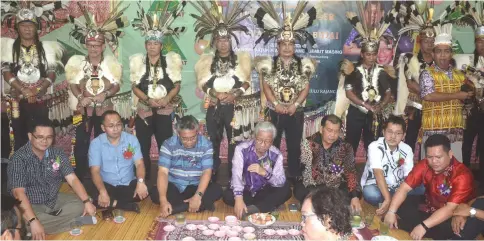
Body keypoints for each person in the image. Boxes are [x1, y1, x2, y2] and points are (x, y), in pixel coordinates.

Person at [253, 1, 319, 179]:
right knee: (271, 143)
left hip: (294, 111)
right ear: (278, 46)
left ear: (294, 46)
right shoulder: (270, 64)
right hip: (275, 111)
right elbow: (265, 85)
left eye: (291, 44)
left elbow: (305, 87)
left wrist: (295, 105)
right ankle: (269, 172)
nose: (287, 48)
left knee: (294, 144)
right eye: (284, 44)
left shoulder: (302, 64)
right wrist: (275, 104)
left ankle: (294, 175)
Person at [190, 1, 252, 180]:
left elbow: (246, 82)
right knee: (214, 140)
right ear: (215, 42)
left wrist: (234, 94)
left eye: (226, 40)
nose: (223, 44)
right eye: (220, 40)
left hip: (234, 107)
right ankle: (213, 168)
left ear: (230, 41)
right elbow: (203, 83)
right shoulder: (206, 61)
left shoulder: (242, 59)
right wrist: (215, 94)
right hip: (214, 106)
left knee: (235, 140)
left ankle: (236, 168)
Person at [66, 3, 127, 180]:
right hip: (83, 109)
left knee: (105, 142)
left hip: (103, 109)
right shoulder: (77, 63)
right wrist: (80, 97)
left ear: (103, 47)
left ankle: (105, 175)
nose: (94, 48)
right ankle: (82, 177)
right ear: (86, 45)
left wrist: (105, 94)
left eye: (97, 45)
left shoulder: (111, 64)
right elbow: (73, 83)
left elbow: (116, 85)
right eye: (90, 45)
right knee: (82, 144)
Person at [7, 119, 97, 239]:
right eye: (40, 137)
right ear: (30, 136)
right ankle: (73, 222)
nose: (45, 141)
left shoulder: (57, 154)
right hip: (29, 204)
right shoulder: (18, 159)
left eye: (49, 137)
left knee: (80, 205)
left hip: (52, 198)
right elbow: (19, 193)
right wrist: (33, 220)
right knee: (25, 223)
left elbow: (73, 179)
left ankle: (47, 223)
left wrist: (86, 201)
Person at [131, 1, 186, 181]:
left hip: (164, 110)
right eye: (149, 43)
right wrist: (147, 100)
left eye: (156, 43)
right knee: (142, 146)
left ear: (161, 46)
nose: (152, 46)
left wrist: (166, 99)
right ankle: (143, 180)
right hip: (144, 112)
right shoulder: (138, 62)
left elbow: (176, 84)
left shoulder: (170, 61)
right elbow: (134, 86)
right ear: (146, 45)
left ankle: (166, 179)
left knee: (164, 145)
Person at [384, 134, 475, 240]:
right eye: (430, 157)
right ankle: (415, 225)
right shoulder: (424, 164)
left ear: (450, 154)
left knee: (451, 228)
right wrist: (391, 212)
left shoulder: (462, 175)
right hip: (428, 206)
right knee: (399, 204)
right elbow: (404, 188)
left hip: (451, 214)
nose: (434, 162)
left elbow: (450, 208)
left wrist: (423, 226)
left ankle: (418, 227)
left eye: (438, 157)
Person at [1, 2, 65, 150]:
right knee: (19, 137)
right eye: (23, 25)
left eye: (31, 26)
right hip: (17, 98)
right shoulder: (9, 48)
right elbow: (6, 72)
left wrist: (37, 90)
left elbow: (52, 73)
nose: (27, 29)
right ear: (17, 27)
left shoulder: (46, 49)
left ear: (36, 28)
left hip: (39, 98)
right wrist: (24, 90)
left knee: (42, 136)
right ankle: (21, 170)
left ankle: (41, 170)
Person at [335, 9, 395, 153]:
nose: (371, 57)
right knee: (350, 146)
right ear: (362, 54)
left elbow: (387, 92)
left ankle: (372, 174)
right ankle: (348, 174)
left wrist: (381, 105)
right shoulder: (352, 69)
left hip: (375, 113)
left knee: (373, 147)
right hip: (357, 112)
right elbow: (349, 93)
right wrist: (364, 104)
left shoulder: (382, 71)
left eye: (374, 54)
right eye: (368, 54)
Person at [419, 23, 474, 162]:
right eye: (439, 51)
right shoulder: (427, 73)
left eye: (446, 51)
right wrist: (457, 95)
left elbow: (465, 102)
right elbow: (428, 95)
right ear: (433, 54)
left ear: (451, 53)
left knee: (454, 175)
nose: (443, 55)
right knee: (432, 174)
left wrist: (469, 97)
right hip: (433, 131)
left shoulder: (460, 75)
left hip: (455, 134)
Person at [150, 115, 222, 217]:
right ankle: (197, 205)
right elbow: (163, 172)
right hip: (174, 186)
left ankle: (178, 207)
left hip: (196, 186)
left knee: (217, 190)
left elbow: (207, 171)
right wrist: (163, 200)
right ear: (178, 134)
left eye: (193, 138)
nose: (189, 142)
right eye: (184, 139)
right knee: (155, 192)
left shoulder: (206, 144)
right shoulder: (168, 144)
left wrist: (198, 195)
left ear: (197, 132)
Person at [83, 110, 148, 215]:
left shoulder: (131, 140)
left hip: (128, 185)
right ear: (103, 128)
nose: (116, 129)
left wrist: (140, 182)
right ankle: (123, 204)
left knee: (147, 186)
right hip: (107, 186)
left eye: (118, 125)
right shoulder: (96, 144)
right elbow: (95, 171)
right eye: (111, 126)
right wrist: (103, 192)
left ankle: (110, 203)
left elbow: (139, 164)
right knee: (86, 186)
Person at [222, 122, 291, 219]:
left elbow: (280, 181)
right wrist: (238, 198)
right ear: (254, 137)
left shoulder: (276, 154)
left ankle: (254, 209)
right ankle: (264, 206)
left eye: (267, 141)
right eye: (259, 140)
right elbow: (236, 176)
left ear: (272, 141)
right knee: (227, 195)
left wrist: (265, 173)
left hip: (263, 191)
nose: (263, 145)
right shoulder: (241, 149)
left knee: (286, 189)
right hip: (245, 191)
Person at [295, 114, 362, 212]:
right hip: (313, 186)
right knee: (299, 190)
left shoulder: (345, 147)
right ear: (322, 129)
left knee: (355, 193)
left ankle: (317, 205)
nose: (332, 135)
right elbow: (302, 173)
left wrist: (354, 196)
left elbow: (350, 171)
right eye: (329, 130)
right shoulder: (307, 144)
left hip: (335, 186)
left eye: (336, 131)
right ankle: (330, 204)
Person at [394, 1, 436, 152]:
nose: (429, 44)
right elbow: (410, 84)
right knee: (410, 140)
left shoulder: (440, 62)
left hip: (434, 108)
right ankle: (410, 171)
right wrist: (429, 94)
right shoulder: (410, 59)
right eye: (426, 41)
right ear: (420, 41)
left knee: (432, 142)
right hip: (415, 108)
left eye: (432, 41)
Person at [361, 115, 424, 213]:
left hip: (398, 186)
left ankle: (392, 199)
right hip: (376, 184)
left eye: (398, 133)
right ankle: (394, 200)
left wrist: (401, 191)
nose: (393, 136)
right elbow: (378, 173)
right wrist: (388, 198)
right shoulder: (374, 146)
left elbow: (409, 176)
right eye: (390, 132)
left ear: (403, 136)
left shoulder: (407, 149)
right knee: (371, 194)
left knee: (422, 187)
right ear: (383, 132)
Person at [453, 7, 484, 183]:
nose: (482, 45)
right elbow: (460, 84)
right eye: (479, 41)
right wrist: (468, 91)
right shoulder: (467, 61)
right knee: (467, 143)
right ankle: (464, 175)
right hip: (471, 110)